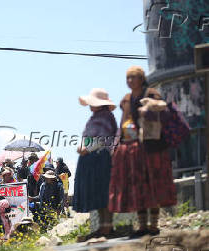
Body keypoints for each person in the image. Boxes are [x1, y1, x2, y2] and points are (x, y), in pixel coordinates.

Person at [109, 66, 177, 237]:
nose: (130, 81)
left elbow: (163, 111)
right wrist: (119, 145)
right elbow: (124, 124)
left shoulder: (151, 94)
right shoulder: (127, 99)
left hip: (153, 149)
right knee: (138, 187)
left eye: (133, 77)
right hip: (135, 151)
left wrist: (150, 109)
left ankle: (153, 225)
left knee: (153, 185)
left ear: (141, 78)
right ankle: (142, 225)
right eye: (128, 78)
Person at [73, 88, 118, 237]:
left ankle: (107, 226)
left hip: (101, 158)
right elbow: (90, 137)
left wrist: (87, 148)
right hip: (91, 159)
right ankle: (103, 226)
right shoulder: (94, 118)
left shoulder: (106, 117)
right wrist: (84, 147)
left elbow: (104, 139)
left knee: (104, 192)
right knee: (97, 193)